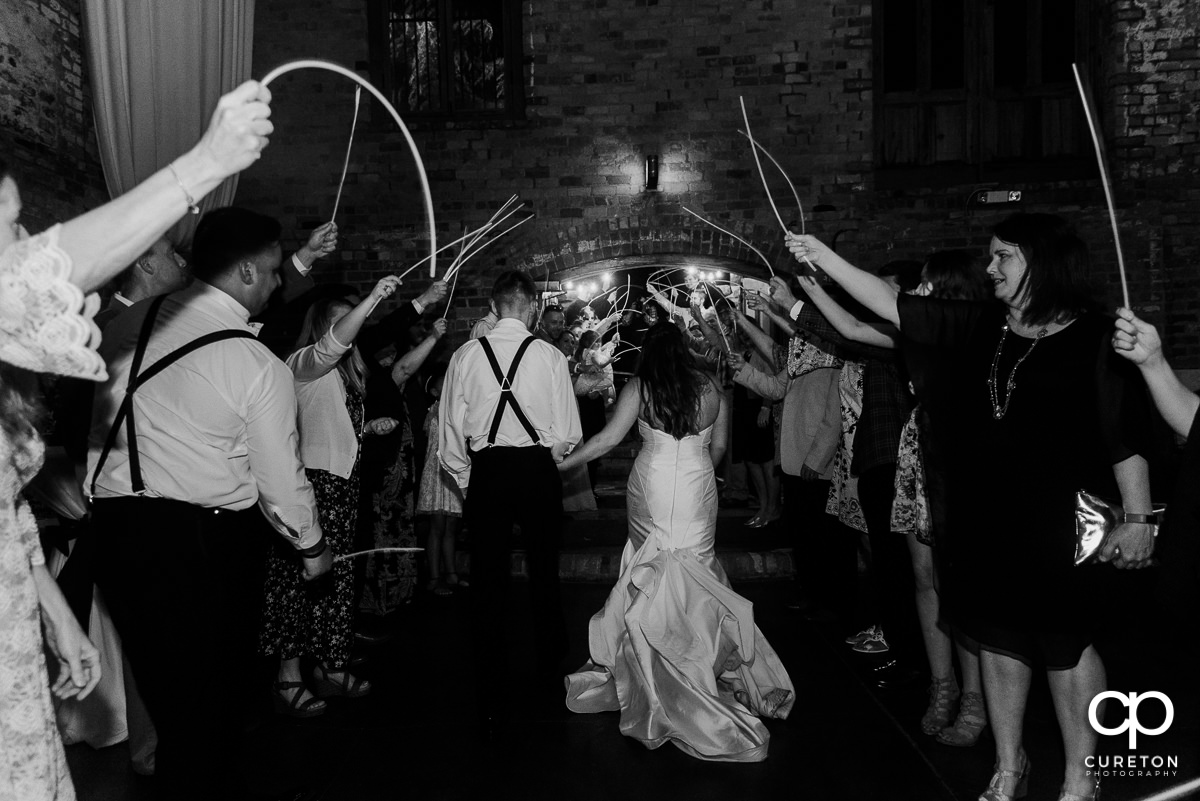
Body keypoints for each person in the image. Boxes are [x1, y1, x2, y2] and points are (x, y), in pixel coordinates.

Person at [786, 213, 1155, 801]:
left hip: (1066, 519)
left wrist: (1138, 518)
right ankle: (1010, 768)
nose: (990, 269)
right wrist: (821, 259)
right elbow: (887, 301)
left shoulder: (1097, 336)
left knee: (1066, 643)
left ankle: (1082, 778)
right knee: (1000, 637)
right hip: (987, 514)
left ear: (1043, 262)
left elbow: (1124, 434)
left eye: (1003, 257)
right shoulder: (979, 326)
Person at [1, 80, 272, 801]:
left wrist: (58, 617)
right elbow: (30, 282)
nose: (23, 238)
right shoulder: (101, 318)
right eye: (10, 220)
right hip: (147, 521)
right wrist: (204, 163)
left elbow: (9, 514)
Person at [88, 203, 332, 800]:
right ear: (247, 272)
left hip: (116, 531)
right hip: (203, 545)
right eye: (275, 271)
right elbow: (281, 481)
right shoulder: (254, 362)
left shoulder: (128, 323)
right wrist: (314, 548)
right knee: (213, 708)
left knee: (167, 699)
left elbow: (92, 421)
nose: (278, 283)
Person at [559, 321, 793, 761]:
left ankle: (660, 669)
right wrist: (697, 469)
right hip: (698, 482)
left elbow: (609, 439)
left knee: (653, 567)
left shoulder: (642, 387)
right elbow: (720, 447)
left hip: (652, 483)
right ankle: (702, 658)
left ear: (648, 351)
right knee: (696, 569)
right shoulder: (710, 386)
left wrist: (562, 464)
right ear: (685, 348)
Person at [787, 251, 994, 744]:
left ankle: (975, 698)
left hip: (963, 459)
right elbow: (855, 330)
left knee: (958, 583)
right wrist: (811, 291)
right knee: (924, 578)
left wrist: (821, 256)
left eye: (926, 286)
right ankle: (942, 686)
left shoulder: (980, 334)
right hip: (919, 452)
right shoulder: (912, 335)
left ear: (952, 295)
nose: (917, 294)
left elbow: (878, 306)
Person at [440, 270, 581, 731]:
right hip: (537, 470)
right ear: (532, 307)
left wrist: (467, 480)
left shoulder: (464, 356)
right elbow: (568, 434)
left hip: (489, 471)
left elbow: (449, 433)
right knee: (545, 566)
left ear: (495, 306)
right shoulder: (549, 355)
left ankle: (489, 664)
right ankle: (549, 659)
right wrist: (545, 459)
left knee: (487, 573)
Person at [261, 277, 407, 716]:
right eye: (341, 319)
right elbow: (331, 347)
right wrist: (375, 296)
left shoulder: (346, 373)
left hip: (342, 485)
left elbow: (322, 425)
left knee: (337, 584)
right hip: (311, 488)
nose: (351, 326)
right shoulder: (303, 362)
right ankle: (287, 677)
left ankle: (331, 666)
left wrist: (364, 430)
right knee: (297, 585)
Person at [415, 365, 466, 595]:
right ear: (435, 392)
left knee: (451, 528)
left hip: (453, 473)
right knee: (437, 527)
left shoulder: (457, 410)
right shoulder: (434, 411)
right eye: (444, 385)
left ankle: (452, 573)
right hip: (436, 474)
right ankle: (434, 577)